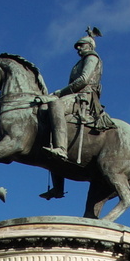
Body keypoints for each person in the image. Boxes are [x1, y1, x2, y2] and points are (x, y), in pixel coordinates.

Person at [41, 29, 106, 162]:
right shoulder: (80, 62)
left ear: (89, 46)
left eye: (81, 45)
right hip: (76, 95)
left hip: (84, 97)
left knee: (55, 104)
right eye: (77, 47)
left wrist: (59, 93)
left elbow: (84, 79)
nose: (78, 49)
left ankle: (61, 148)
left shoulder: (92, 57)